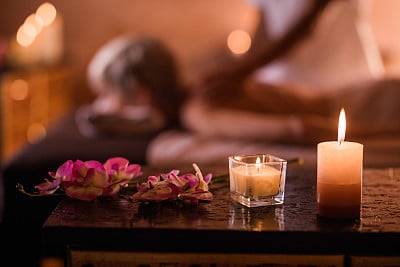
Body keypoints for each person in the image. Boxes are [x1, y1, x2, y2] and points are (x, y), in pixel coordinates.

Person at [180, 0, 400, 145]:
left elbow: (309, 23)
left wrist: (241, 72)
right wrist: (232, 74)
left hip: (345, 77)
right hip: (285, 80)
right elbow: (263, 33)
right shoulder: (198, 110)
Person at [76, 34, 187, 137]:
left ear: (141, 95)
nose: (98, 104)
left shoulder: (191, 113)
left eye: (106, 95)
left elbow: (150, 118)